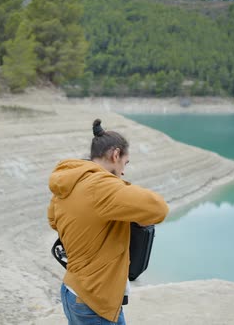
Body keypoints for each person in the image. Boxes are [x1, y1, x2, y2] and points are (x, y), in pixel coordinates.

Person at [47, 119, 169, 324]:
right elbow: (159, 208)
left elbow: (53, 220)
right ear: (115, 155)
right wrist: (119, 189)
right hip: (94, 300)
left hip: (72, 290)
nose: (123, 171)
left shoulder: (70, 182)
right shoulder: (101, 187)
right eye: (125, 163)